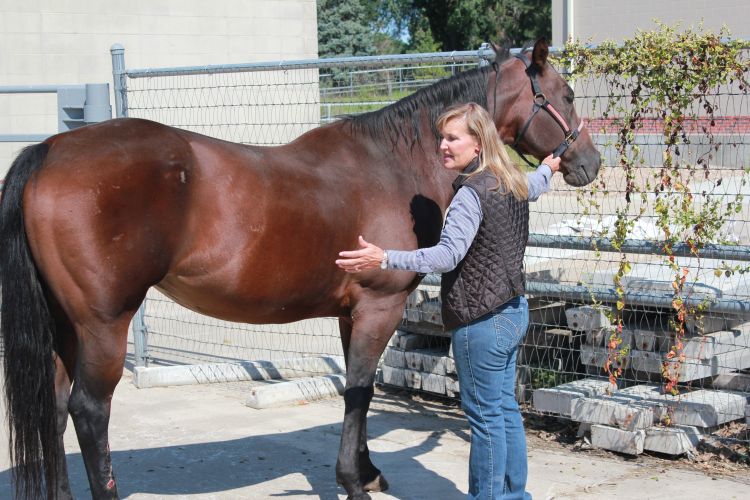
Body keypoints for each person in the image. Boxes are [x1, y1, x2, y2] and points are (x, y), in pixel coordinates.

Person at [335, 102, 561, 499]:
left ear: (478, 145)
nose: (442, 145)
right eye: (442, 136)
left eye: (452, 138)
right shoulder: (511, 179)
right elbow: (538, 184)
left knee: (486, 419)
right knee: (505, 411)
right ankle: (513, 495)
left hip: (481, 322)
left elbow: (446, 256)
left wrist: (383, 257)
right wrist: (549, 167)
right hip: (513, 311)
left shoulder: (470, 195)